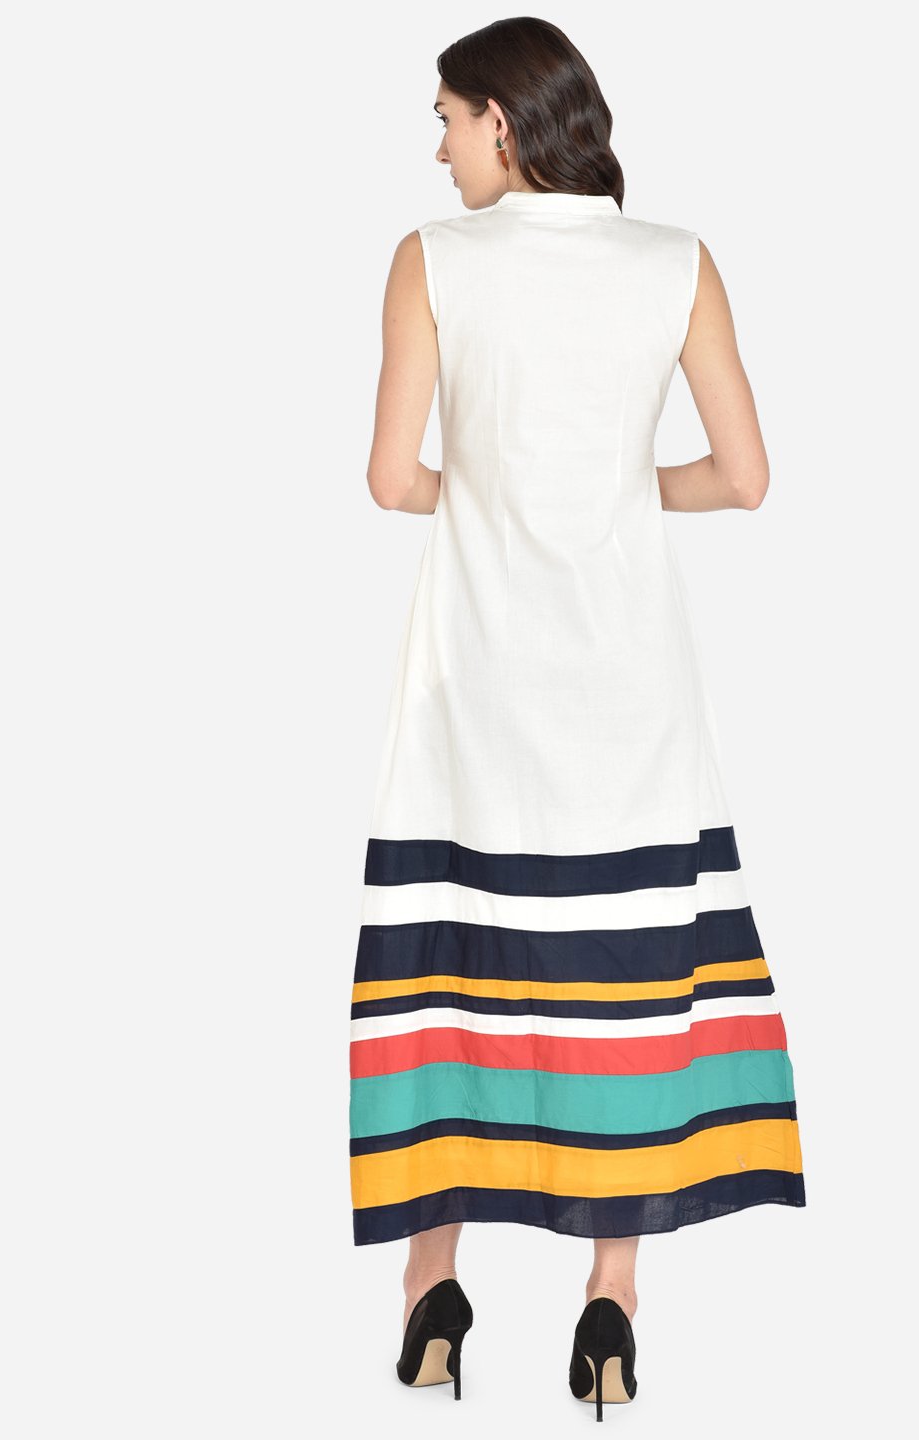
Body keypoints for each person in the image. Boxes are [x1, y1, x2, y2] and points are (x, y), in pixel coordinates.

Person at [352, 16, 806, 1417]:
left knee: (455, 969)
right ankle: (610, 1305)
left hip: (475, 684)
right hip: (628, 689)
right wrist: (613, 492)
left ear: (501, 119)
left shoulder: (432, 261)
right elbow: (745, 478)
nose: (438, 149)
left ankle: (434, 1285)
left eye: (445, 120)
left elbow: (392, 480)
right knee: (628, 979)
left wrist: (493, 494)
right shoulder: (678, 262)